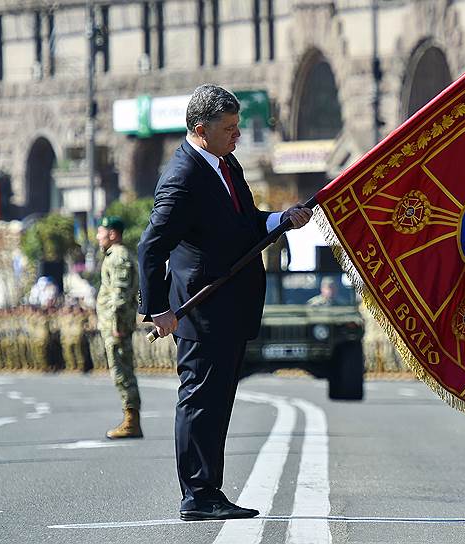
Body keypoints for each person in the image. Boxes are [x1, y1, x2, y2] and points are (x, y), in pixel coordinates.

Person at [137, 84, 313, 521]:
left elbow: (243, 223)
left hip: (230, 309)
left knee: (218, 403)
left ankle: (209, 490)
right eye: (230, 128)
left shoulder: (226, 164)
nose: (238, 135)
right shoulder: (183, 176)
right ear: (201, 129)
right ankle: (197, 495)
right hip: (200, 310)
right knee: (200, 401)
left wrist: (279, 220)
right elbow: (150, 247)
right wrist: (158, 308)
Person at [96, 215, 142, 439]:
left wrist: (117, 324)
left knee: (122, 372)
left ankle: (131, 421)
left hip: (117, 327)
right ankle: (130, 419)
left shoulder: (118, 257)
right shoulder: (114, 256)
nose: (98, 237)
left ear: (113, 234)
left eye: (101, 232)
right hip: (116, 325)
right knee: (121, 371)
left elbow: (120, 294)